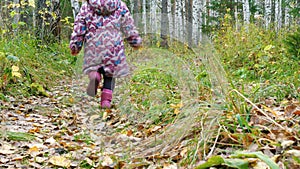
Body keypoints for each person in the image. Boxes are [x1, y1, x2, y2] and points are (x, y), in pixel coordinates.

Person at [69, 0, 142, 108]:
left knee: (94, 67)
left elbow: (79, 28)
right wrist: (135, 41)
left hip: (93, 47)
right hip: (113, 48)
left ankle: (95, 76)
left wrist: (75, 45)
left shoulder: (87, 6)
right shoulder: (119, 5)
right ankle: (106, 102)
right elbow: (128, 26)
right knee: (110, 75)